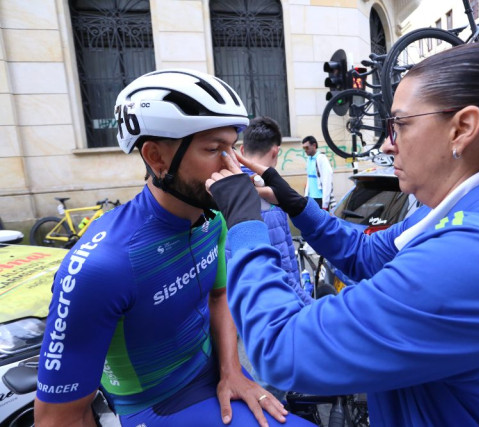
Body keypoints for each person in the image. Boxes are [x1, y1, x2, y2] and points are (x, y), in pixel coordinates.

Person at [206, 43, 479, 425]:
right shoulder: (452, 213)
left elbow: (281, 349)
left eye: (399, 125)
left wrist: (245, 225)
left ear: (463, 128)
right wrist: (294, 202)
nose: (387, 143)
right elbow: (364, 253)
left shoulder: (476, 253)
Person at [34, 69, 311, 427]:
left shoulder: (213, 216)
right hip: (157, 407)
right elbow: (58, 418)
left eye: (232, 148)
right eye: (213, 149)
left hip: (213, 376)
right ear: (156, 157)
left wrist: (231, 370)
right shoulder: (103, 266)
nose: (233, 166)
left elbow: (219, 295)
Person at [240, 116, 313, 401]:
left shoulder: (230, 190)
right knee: (271, 394)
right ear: (276, 151)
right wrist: (310, 307)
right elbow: (282, 270)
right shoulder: (266, 201)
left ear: (243, 150)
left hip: (246, 314)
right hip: (270, 318)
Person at [301, 136, 334, 210]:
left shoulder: (321, 159)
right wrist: (306, 196)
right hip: (310, 199)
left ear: (314, 145)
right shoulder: (309, 159)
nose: (305, 150)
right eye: (304, 148)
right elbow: (309, 179)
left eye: (307, 147)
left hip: (320, 199)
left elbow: (327, 181)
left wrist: (325, 204)